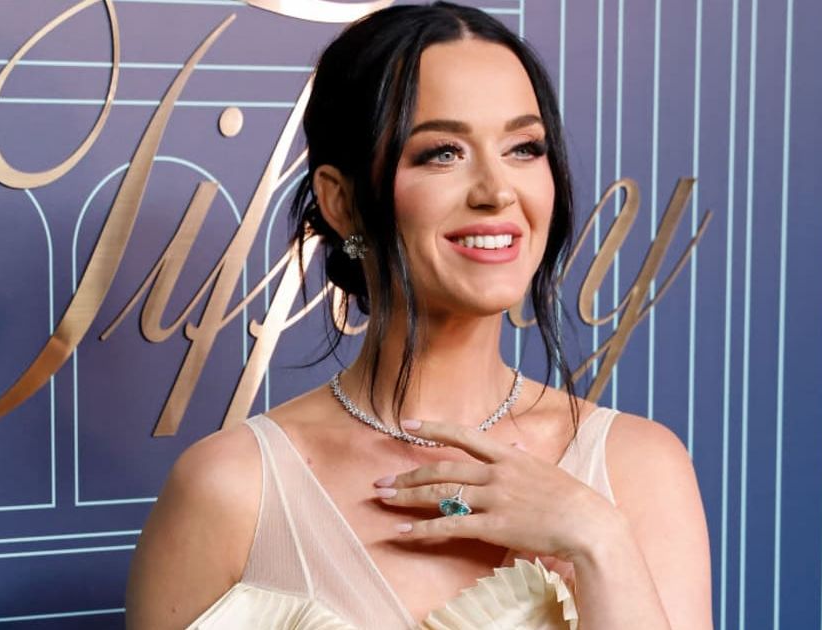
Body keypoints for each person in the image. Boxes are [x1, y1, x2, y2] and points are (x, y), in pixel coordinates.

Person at [125, 3, 712, 628]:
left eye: (523, 147)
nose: (497, 191)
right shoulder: (229, 490)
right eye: (442, 153)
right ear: (341, 201)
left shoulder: (638, 469)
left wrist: (597, 540)